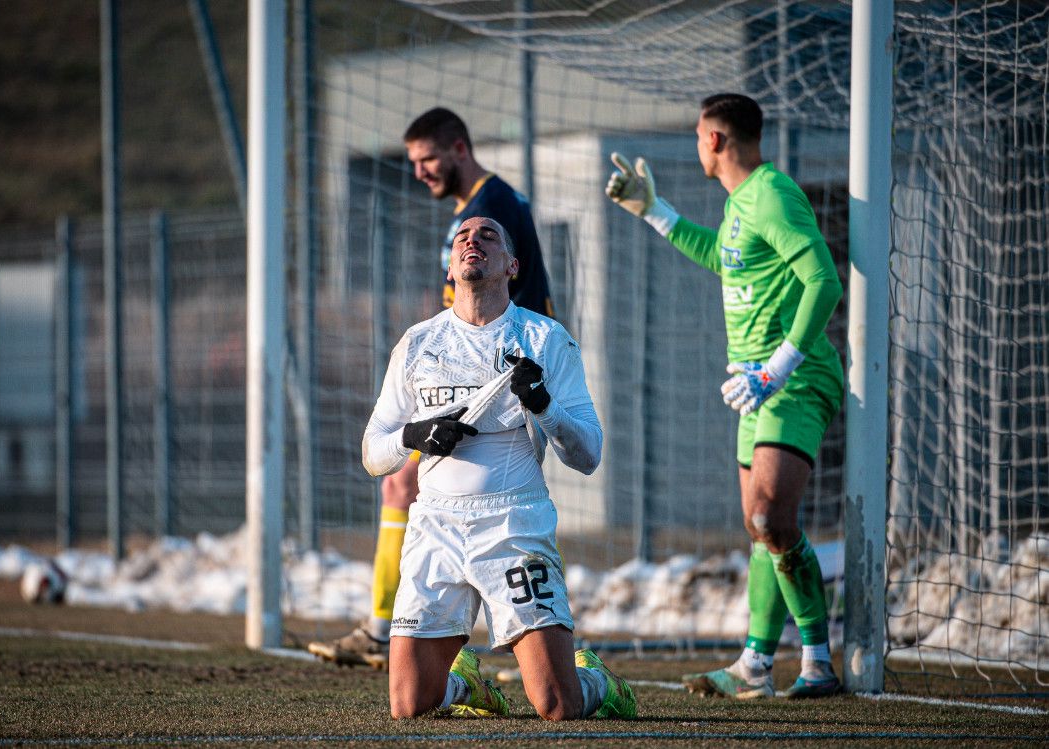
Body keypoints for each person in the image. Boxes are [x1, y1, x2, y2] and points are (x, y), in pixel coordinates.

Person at [606, 93, 844, 699]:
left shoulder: (772, 193)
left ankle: (818, 663)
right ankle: (756, 666)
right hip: (756, 387)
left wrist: (781, 366)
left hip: (794, 379)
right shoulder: (741, 204)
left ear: (714, 140)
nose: (695, 147)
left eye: (696, 137)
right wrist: (653, 210)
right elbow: (724, 257)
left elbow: (824, 279)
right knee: (760, 527)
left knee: (771, 517)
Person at [309, 107, 554, 668]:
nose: (418, 171)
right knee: (408, 488)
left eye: (427, 159)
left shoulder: (491, 210)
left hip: (494, 387)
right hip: (468, 382)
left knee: (422, 493)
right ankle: (408, 631)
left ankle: (393, 630)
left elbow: (520, 309)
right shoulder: (476, 209)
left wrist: (517, 380)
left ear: (459, 149)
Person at [362, 216, 634, 720]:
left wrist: (543, 405)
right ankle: (468, 689)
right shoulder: (418, 343)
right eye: (463, 237)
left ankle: (599, 683)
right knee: (408, 704)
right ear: (450, 268)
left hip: (513, 523)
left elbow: (589, 454)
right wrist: (413, 435)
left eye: (488, 236)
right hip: (436, 526)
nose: (473, 241)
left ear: (512, 265)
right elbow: (373, 451)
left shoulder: (545, 339)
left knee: (556, 705)